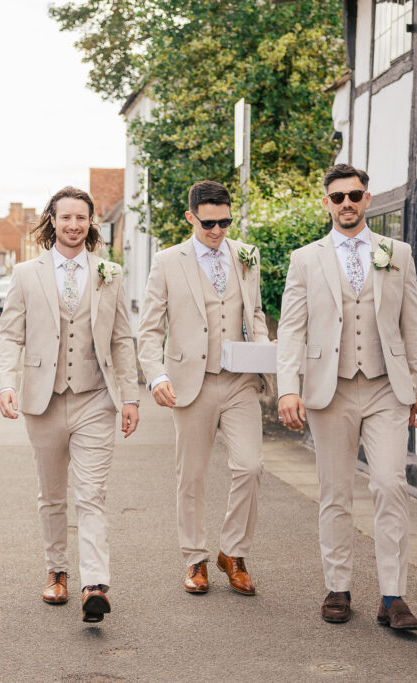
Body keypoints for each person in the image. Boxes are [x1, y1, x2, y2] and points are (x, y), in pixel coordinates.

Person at [277, 163, 417, 630]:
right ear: (325, 203)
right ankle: (338, 587)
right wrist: (289, 387)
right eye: (338, 196)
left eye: (355, 194)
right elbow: (291, 330)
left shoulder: (397, 253)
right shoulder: (305, 259)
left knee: (390, 485)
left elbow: (415, 325)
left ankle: (393, 596)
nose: (347, 202)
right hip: (331, 389)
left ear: (367, 199)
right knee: (335, 491)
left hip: (388, 387)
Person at [0, 186, 140, 623]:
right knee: (52, 494)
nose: (74, 225)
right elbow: (9, 335)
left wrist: (130, 396)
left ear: (91, 222)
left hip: (96, 398)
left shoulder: (109, 273)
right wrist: (5, 383)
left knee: (92, 494)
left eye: (82, 218)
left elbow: (121, 340)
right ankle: (56, 570)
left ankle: (94, 583)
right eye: (66, 218)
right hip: (43, 399)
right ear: (52, 222)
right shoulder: (26, 274)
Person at [138, 180, 270, 597]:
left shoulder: (247, 255)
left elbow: (257, 313)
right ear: (191, 217)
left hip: (240, 382)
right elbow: (149, 328)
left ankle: (233, 552)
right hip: (189, 383)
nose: (218, 231)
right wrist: (156, 376)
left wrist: (266, 355)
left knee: (250, 466)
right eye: (209, 223)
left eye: (225, 222)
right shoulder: (166, 261)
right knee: (191, 476)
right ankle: (194, 557)